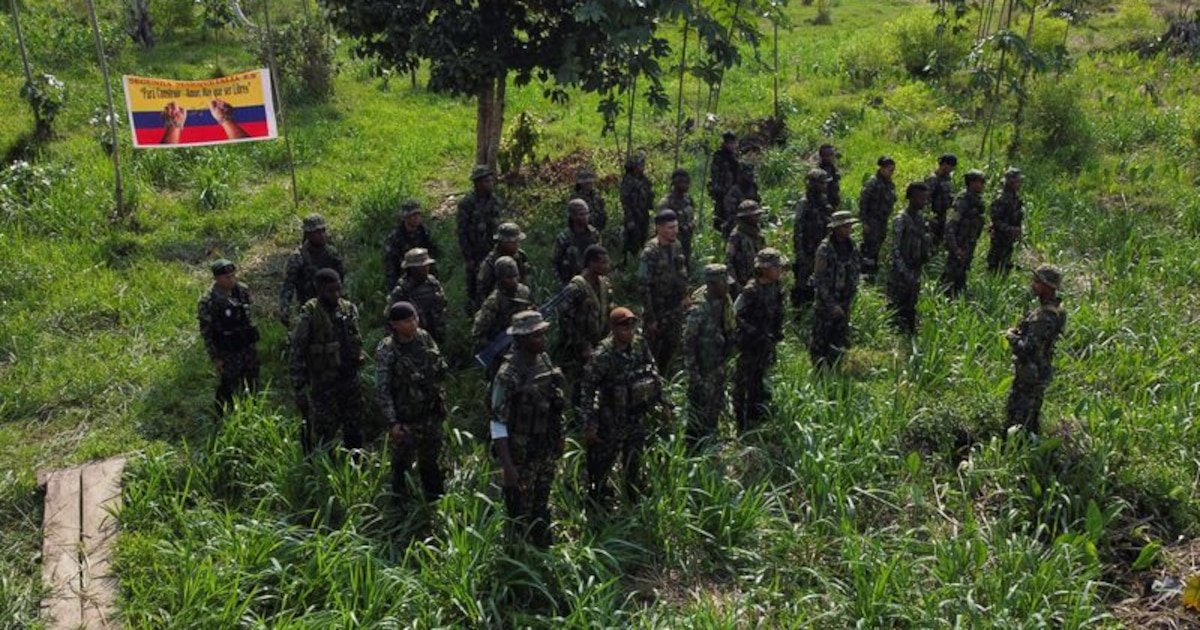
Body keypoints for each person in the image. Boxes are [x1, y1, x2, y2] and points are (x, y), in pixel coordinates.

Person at [489, 310, 566, 547]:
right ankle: (517, 552)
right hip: (520, 453)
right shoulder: (508, 375)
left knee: (541, 500)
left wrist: (560, 437)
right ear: (521, 340)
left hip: (544, 446)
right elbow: (497, 422)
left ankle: (542, 546)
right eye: (535, 336)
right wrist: (508, 466)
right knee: (519, 507)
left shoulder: (544, 360)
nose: (542, 339)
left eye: (543, 334)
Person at [578, 307, 665, 505]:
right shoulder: (603, 355)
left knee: (633, 459)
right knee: (602, 464)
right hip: (611, 418)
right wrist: (589, 424)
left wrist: (663, 402)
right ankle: (597, 501)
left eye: (631, 324)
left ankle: (632, 498)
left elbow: (653, 372)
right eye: (623, 325)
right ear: (613, 328)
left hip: (636, 415)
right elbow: (587, 390)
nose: (628, 329)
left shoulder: (639, 345)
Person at [376, 301, 448, 505]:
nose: (413, 323)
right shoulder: (387, 349)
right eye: (407, 321)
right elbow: (383, 389)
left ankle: (436, 503)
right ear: (395, 325)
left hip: (430, 414)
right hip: (405, 418)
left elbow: (439, 367)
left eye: (415, 318)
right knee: (401, 465)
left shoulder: (424, 338)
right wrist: (392, 422)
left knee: (431, 462)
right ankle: (399, 508)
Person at [289, 269, 364, 453]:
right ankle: (325, 469)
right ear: (319, 290)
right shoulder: (310, 315)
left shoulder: (349, 309)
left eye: (338, 289)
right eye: (330, 291)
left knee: (354, 427)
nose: (336, 295)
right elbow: (297, 352)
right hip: (324, 383)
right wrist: (299, 388)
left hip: (349, 379)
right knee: (325, 431)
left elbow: (356, 340)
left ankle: (356, 465)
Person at [1005, 264, 1066, 434]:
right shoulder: (1057, 311)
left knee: (1019, 420)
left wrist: (1012, 337)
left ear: (1047, 286)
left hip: (1030, 375)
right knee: (1030, 417)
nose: (1033, 285)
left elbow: (1027, 348)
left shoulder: (1044, 316)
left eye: (1036, 281)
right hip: (1038, 371)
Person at [197, 258, 260, 415]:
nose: (232, 279)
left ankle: (251, 408)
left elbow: (249, 315)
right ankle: (222, 414)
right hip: (227, 350)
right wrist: (215, 358)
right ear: (217, 279)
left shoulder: (242, 291)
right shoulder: (209, 301)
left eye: (233, 275)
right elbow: (207, 332)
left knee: (252, 378)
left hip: (246, 345)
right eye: (227, 277)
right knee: (228, 383)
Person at [734, 248, 787, 431]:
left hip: (767, 343)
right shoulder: (751, 290)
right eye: (776, 267)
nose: (780, 270)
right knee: (744, 382)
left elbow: (778, 312)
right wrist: (752, 332)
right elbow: (735, 315)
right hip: (750, 345)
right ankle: (741, 421)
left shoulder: (776, 287)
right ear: (765, 269)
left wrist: (777, 331)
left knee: (761, 378)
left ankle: (758, 415)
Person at [683, 264, 736, 444]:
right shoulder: (699, 310)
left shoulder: (725, 304)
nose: (728, 287)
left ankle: (710, 443)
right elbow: (689, 346)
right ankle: (693, 449)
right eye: (724, 283)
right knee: (698, 412)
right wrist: (694, 376)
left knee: (715, 408)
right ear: (712, 285)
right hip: (702, 371)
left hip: (718, 366)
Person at [554, 245, 612, 394]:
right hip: (576, 347)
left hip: (598, 342)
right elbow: (565, 319)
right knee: (578, 384)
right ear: (591, 263)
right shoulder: (576, 287)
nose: (607, 266)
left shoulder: (604, 284)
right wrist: (581, 345)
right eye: (603, 262)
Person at [639, 209, 690, 374]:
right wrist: (650, 317)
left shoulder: (677, 245)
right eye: (670, 227)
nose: (674, 230)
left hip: (674, 307)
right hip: (656, 308)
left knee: (672, 343)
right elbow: (643, 285)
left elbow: (682, 272)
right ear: (659, 228)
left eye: (676, 227)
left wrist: (685, 296)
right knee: (652, 348)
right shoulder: (649, 253)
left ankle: (663, 375)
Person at [809, 212, 861, 368]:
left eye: (850, 226)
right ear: (836, 228)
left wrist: (847, 299)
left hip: (844, 300)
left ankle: (836, 369)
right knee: (821, 339)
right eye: (845, 226)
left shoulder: (852, 247)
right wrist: (831, 304)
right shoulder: (824, 249)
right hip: (826, 302)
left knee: (839, 338)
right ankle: (819, 371)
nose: (849, 229)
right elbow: (819, 280)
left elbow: (855, 272)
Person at [279, 214, 346, 326]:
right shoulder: (298, 257)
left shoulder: (331, 253)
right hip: (309, 308)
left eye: (323, 231)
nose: (322, 235)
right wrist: (285, 308)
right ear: (308, 235)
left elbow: (342, 278)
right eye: (317, 232)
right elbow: (288, 285)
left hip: (332, 305)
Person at [887, 182, 934, 335]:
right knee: (896, 303)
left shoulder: (920, 219)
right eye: (921, 198)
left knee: (911, 303)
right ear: (911, 198)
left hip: (915, 267)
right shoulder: (901, 219)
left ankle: (909, 330)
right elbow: (894, 250)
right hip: (901, 270)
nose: (924, 202)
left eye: (925, 198)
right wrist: (904, 272)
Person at [457, 165, 503, 310]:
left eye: (491, 180)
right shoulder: (467, 203)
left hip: (493, 250)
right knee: (475, 286)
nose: (490, 183)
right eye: (486, 181)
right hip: (475, 253)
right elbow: (462, 231)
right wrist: (468, 257)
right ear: (478, 183)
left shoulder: (494, 200)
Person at [471, 256, 533, 357]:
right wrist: (493, 347)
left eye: (515, 276)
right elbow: (478, 332)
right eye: (508, 278)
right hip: (502, 346)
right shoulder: (493, 301)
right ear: (500, 279)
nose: (514, 280)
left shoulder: (524, 291)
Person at [791, 168, 834, 310]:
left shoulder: (822, 201)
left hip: (821, 248)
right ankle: (799, 313)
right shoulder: (804, 203)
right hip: (807, 250)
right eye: (822, 183)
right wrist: (800, 254)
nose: (825, 186)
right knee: (802, 284)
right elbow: (798, 231)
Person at [386, 248, 447, 346]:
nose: (426, 269)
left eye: (427, 266)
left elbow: (442, 303)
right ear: (412, 269)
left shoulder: (432, 283)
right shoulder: (401, 291)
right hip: (413, 340)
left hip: (436, 332)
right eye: (421, 267)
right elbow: (391, 319)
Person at [940, 169, 987, 297]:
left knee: (961, 274)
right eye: (980, 182)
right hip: (959, 244)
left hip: (968, 244)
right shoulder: (962, 201)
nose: (983, 185)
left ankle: (957, 297)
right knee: (950, 275)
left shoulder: (977, 201)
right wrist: (955, 248)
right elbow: (950, 225)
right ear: (971, 183)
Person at [383, 199, 440, 291]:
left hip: (425, 277)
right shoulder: (395, 238)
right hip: (405, 280)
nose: (417, 218)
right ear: (405, 217)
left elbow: (433, 253)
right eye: (413, 215)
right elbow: (391, 266)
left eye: (418, 214)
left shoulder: (424, 232)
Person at [858, 156, 897, 278]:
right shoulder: (873, 183)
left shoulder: (889, 184)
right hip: (872, 220)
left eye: (893, 170)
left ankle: (872, 271)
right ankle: (864, 272)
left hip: (882, 220)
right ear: (882, 168)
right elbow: (863, 202)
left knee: (877, 245)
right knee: (870, 245)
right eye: (890, 170)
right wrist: (864, 222)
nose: (891, 173)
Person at [476, 222, 532, 304]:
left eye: (518, 241)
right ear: (503, 242)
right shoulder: (491, 262)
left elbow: (527, 280)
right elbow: (482, 289)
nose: (517, 244)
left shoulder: (521, 256)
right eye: (513, 242)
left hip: (519, 300)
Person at [551, 199, 602, 286]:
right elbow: (555, 263)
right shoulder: (564, 238)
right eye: (581, 214)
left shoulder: (594, 234)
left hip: (591, 280)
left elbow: (600, 257)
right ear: (573, 216)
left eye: (587, 213)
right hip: (570, 281)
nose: (586, 217)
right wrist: (560, 283)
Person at [987, 167, 1025, 273]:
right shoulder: (1001, 199)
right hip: (1000, 238)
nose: (1019, 184)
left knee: (1005, 264)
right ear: (1010, 183)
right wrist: (1010, 229)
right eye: (1017, 182)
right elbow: (995, 220)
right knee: (995, 264)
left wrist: (1018, 230)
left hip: (1009, 238)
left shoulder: (1015, 199)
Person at [657, 168, 697, 267]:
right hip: (671, 243)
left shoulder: (688, 199)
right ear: (676, 183)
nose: (687, 185)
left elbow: (693, 215)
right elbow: (660, 225)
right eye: (683, 182)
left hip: (687, 240)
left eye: (687, 182)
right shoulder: (666, 202)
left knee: (685, 265)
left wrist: (692, 225)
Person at [725, 199, 766, 297]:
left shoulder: (758, 234)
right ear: (745, 218)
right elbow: (729, 261)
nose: (757, 218)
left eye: (758, 215)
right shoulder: (736, 236)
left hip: (757, 279)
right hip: (742, 281)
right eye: (754, 215)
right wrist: (736, 285)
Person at [620, 153, 655, 264]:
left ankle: (640, 263)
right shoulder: (628, 180)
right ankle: (628, 264)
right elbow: (625, 201)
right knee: (632, 240)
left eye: (643, 164)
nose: (642, 167)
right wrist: (629, 219)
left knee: (643, 239)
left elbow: (649, 195)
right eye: (640, 165)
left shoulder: (645, 180)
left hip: (643, 214)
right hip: (633, 215)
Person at [721, 162, 761, 239]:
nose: (750, 176)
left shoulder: (753, 188)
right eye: (747, 173)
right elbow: (729, 209)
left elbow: (758, 202)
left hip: (752, 220)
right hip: (739, 220)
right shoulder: (734, 190)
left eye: (751, 173)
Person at [925, 153, 957, 248]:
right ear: (943, 164)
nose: (951, 169)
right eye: (950, 166)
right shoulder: (932, 179)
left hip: (943, 216)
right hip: (933, 216)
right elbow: (925, 199)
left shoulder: (947, 180)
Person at [709, 131, 740, 226]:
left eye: (733, 143)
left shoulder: (734, 157)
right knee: (720, 215)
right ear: (725, 144)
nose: (732, 145)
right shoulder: (719, 157)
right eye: (730, 143)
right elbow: (716, 175)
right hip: (722, 191)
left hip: (733, 190)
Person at [572, 167, 607, 232]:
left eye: (590, 182)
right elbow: (574, 217)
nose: (589, 184)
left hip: (598, 228)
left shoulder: (596, 194)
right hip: (582, 231)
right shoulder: (576, 198)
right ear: (581, 184)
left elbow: (602, 209)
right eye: (586, 183)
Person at [817, 144, 842, 210]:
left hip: (834, 201)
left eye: (831, 155)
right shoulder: (818, 172)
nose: (830, 157)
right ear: (821, 156)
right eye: (827, 155)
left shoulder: (833, 168)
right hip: (822, 205)